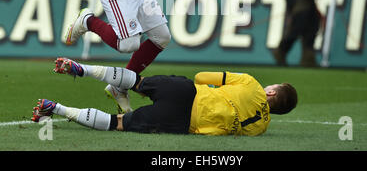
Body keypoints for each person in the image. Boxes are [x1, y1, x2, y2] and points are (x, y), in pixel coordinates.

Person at [32, 57, 298, 136]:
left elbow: (202, 76)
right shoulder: (260, 128)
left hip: (189, 92)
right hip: (182, 122)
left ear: (271, 92)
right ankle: (54, 108)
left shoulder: (252, 83)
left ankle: (83, 69)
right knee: (118, 123)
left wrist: (219, 91)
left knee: (137, 80)